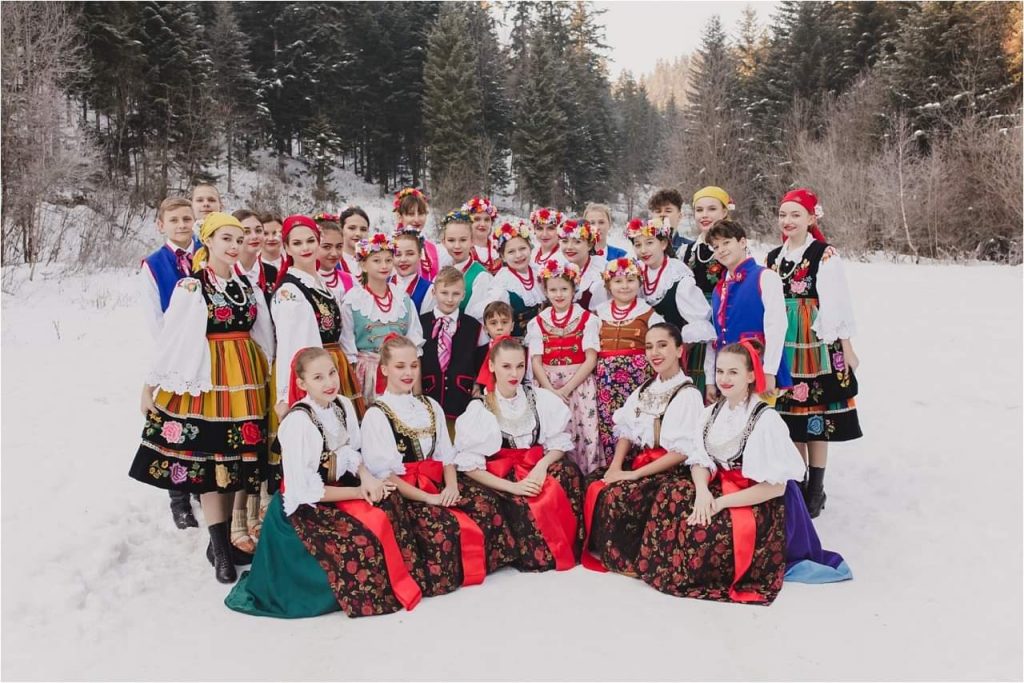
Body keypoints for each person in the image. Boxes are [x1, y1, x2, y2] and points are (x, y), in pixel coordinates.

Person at [637, 340, 850, 605]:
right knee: (671, 495)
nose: (724, 379)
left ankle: (701, 568)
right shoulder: (710, 413)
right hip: (722, 486)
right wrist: (702, 493)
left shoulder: (765, 419)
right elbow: (700, 460)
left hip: (761, 499)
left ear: (750, 376)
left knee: (709, 531)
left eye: (733, 372)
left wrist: (721, 503)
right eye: (720, 371)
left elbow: (776, 487)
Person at [224, 347, 424, 619]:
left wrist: (367, 478)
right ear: (302, 384)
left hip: (338, 491)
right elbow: (304, 491)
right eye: (318, 378)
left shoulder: (342, 405)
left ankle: (398, 579)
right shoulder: (298, 423)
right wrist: (358, 492)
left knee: (391, 504)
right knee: (359, 541)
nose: (329, 382)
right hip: (304, 510)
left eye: (332, 373)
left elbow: (350, 451)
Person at [128, 212, 274, 583]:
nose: (234, 246)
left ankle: (226, 539)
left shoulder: (246, 286)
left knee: (239, 462)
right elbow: (173, 340)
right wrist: (150, 385)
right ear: (207, 240)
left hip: (247, 378)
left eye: (238, 240)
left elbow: (263, 335)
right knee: (212, 464)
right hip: (211, 378)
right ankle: (220, 547)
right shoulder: (192, 288)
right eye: (226, 238)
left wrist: (273, 375)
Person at [360, 335, 499, 594]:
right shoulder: (376, 415)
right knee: (440, 526)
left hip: (437, 482)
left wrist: (452, 487)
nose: (408, 373)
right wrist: (429, 498)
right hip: (405, 491)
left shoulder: (430, 405)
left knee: (485, 503)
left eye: (413, 365)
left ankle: (478, 564)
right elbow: (386, 475)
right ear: (384, 369)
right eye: (400, 366)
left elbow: (447, 455)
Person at [766, 188, 862, 517]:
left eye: (796, 215)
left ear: (811, 218)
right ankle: (799, 481)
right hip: (784, 342)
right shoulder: (773, 258)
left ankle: (816, 488)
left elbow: (838, 303)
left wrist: (846, 348)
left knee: (816, 415)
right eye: (783, 215)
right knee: (791, 416)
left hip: (816, 342)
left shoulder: (824, 254)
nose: (788, 221)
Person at [582, 323, 705, 574]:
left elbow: (682, 452)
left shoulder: (687, 394)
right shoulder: (647, 388)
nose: (654, 353)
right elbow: (626, 430)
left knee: (619, 495)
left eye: (662, 345)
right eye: (649, 347)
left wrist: (634, 474)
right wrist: (616, 466)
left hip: (669, 470)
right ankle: (601, 548)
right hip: (642, 461)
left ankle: (630, 557)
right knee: (594, 480)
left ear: (679, 350)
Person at [455, 337, 584, 572]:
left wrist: (542, 466)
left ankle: (569, 541)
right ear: (491, 366)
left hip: (534, 465)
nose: (514, 373)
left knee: (568, 471)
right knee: (524, 503)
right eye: (506, 366)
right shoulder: (481, 408)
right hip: (503, 476)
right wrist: (513, 487)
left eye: (520, 366)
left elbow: (558, 443)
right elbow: (470, 467)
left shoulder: (538, 398)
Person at [268, 213, 366, 510]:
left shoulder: (316, 282)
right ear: (287, 248)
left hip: (330, 365)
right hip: (313, 370)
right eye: (297, 243)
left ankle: (342, 496)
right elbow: (292, 348)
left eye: (310, 240)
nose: (306, 248)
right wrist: (287, 396)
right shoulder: (290, 292)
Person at [138, 196, 202, 529]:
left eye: (186, 219)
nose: (181, 225)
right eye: (174, 220)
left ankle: (203, 486)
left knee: (204, 423)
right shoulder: (154, 264)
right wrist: (172, 353)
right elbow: (155, 318)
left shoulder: (208, 251)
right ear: (161, 225)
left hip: (210, 350)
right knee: (176, 426)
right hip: (175, 353)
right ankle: (179, 497)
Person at [525, 260, 603, 475]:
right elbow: (536, 360)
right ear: (545, 291)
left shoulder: (587, 319)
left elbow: (591, 359)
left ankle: (586, 478)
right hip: (548, 384)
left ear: (573, 289)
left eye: (564, 289)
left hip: (578, 383)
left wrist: (567, 389)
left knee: (584, 430)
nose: (558, 294)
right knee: (554, 431)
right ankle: (555, 479)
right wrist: (551, 391)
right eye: (553, 290)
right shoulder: (538, 322)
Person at [628, 217, 717, 396]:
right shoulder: (634, 274)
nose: (643, 250)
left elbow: (703, 325)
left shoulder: (678, 277)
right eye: (638, 245)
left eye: (649, 243)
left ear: (663, 243)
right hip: (640, 361)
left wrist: (675, 351)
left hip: (674, 365)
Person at [706, 219, 792, 401]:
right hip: (728, 377)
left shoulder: (765, 277)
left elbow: (777, 326)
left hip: (758, 369)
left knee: (759, 417)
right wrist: (711, 379)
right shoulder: (718, 289)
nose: (721, 250)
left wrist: (769, 371)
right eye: (716, 246)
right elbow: (715, 336)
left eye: (726, 242)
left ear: (743, 242)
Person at [340, 233, 425, 406]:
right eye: (377, 261)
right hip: (366, 375)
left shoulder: (402, 298)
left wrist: (417, 392)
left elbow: (415, 345)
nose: (384, 266)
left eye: (388, 260)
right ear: (363, 265)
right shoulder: (353, 300)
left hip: (400, 371)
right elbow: (347, 347)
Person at [593, 257, 662, 461]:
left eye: (630, 280)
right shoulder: (599, 313)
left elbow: (661, 343)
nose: (624, 286)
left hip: (638, 380)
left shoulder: (648, 313)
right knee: (608, 421)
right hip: (605, 382)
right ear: (608, 285)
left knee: (637, 419)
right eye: (618, 281)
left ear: (639, 283)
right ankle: (612, 464)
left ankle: (638, 463)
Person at [419, 267, 486, 437]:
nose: (450, 299)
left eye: (456, 294)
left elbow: (483, 361)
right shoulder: (420, 324)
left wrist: (478, 384)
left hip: (461, 400)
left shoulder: (474, 327)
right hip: (428, 398)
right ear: (434, 292)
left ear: (463, 295)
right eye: (444, 293)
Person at [681, 187, 733, 393]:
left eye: (712, 209)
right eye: (699, 210)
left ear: (724, 212)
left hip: (721, 315)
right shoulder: (686, 251)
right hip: (692, 318)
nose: (704, 215)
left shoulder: (731, 249)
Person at [485, 221, 546, 337]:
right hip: (515, 342)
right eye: (511, 252)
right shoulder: (502, 282)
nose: (518, 255)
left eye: (522, 248)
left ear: (530, 249)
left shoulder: (539, 272)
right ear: (503, 256)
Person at [440, 209, 493, 321]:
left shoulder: (480, 276)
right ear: (444, 242)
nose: (457, 246)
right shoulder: (441, 271)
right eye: (451, 240)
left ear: (472, 241)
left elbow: (474, 319)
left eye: (463, 240)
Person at [393, 188, 451, 280]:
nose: (417, 219)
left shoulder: (433, 250)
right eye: (411, 214)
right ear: (400, 217)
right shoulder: (390, 247)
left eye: (421, 214)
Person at [558, 218, 608, 311]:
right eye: (565, 241)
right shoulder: (557, 266)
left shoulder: (601, 269)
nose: (569, 247)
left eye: (577, 242)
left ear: (590, 245)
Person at [232, 209, 278, 304]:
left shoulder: (272, 272)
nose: (254, 236)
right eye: (246, 232)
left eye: (258, 230)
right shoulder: (226, 274)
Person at [311, 212, 357, 306]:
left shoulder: (350, 280)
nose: (334, 253)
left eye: (339, 246)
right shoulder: (305, 281)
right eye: (326, 247)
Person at [392, 226, 436, 313]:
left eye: (410, 254)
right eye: (398, 254)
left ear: (419, 255)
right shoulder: (383, 284)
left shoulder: (429, 290)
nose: (403, 259)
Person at [462, 195, 502, 273]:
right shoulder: (462, 249)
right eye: (477, 219)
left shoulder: (497, 250)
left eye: (487, 220)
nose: (482, 224)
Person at [647, 187, 693, 253]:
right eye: (658, 211)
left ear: (679, 216)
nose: (662, 214)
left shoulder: (690, 248)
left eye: (668, 211)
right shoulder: (642, 248)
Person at [337, 206, 369, 277]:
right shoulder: (332, 261)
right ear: (341, 229)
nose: (358, 233)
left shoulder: (374, 262)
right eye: (352, 228)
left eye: (363, 229)